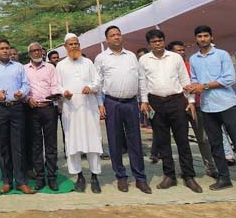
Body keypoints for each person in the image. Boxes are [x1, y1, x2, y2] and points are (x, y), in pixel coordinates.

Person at [187, 26, 236, 196]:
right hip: (207, 107)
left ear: (211, 37)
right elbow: (194, 80)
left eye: (205, 36)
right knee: (215, 144)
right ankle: (224, 178)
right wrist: (193, 88)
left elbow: (229, 79)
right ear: (196, 39)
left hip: (226, 104)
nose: (203, 39)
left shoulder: (222, 55)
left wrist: (204, 86)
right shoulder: (194, 59)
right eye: (199, 36)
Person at [139, 29, 202, 193]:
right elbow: (143, 82)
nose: (158, 43)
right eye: (154, 41)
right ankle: (169, 175)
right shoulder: (144, 60)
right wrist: (144, 101)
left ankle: (188, 176)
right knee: (162, 141)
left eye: (160, 40)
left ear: (164, 41)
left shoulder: (175, 58)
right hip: (155, 103)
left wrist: (191, 101)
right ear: (149, 44)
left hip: (177, 101)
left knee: (183, 140)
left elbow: (185, 79)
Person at [95, 27, 152, 194]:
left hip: (131, 103)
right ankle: (121, 176)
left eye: (118, 34)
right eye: (112, 35)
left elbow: (141, 78)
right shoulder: (101, 58)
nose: (116, 37)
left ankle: (140, 178)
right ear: (107, 39)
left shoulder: (132, 56)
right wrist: (100, 104)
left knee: (135, 140)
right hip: (112, 103)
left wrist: (144, 100)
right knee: (115, 140)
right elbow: (97, 83)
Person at [0, 39, 35, 195]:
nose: (5, 51)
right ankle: (6, 181)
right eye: (2, 48)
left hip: (16, 108)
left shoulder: (18, 67)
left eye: (7, 48)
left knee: (18, 145)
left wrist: (21, 92)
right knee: (2, 146)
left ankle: (21, 182)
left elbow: (26, 85)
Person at [56, 33, 103, 194]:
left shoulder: (88, 62)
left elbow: (98, 81)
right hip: (71, 110)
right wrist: (64, 92)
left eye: (76, 44)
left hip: (89, 108)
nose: (74, 46)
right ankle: (79, 176)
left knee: (93, 142)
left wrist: (90, 87)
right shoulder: (61, 66)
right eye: (71, 44)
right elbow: (57, 85)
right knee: (73, 143)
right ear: (65, 47)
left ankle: (95, 177)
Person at [166, 41, 218, 179]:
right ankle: (186, 169)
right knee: (181, 140)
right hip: (177, 108)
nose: (182, 53)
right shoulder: (167, 67)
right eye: (178, 51)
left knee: (203, 138)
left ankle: (210, 167)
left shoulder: (193, 64)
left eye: (183, 50)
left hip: (197, 106)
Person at [24, 42, 60, 191]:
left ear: (43, 52)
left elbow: (56, 86)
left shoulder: (50, 67)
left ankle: (51, 177)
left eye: (39, 50)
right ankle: (40, 178)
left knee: (51, 145)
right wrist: (27, 98)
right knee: (36, 145)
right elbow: (22, 87)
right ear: (29, 54)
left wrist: (54, 96)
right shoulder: (23, 69)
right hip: (32, 110)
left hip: (48, 109)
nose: (37, 53)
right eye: (33, 51)